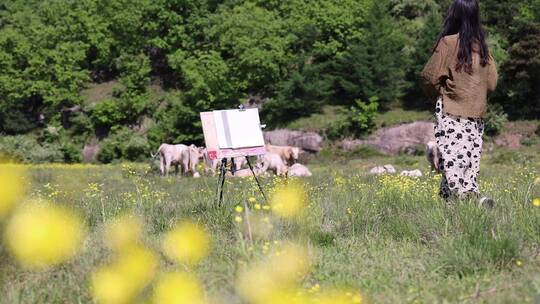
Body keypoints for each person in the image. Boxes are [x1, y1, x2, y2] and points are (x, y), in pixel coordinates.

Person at [421, 0, 498, 206]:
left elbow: (428, 77)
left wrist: (440, 95)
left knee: (454, 160)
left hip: (451, 109)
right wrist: (475, 96)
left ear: (453, 15)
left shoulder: (448, 43)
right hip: (476, 113)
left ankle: (473, 202)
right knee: (468, 161)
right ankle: (451, 208)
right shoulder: (483, 49)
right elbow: (491, 83)